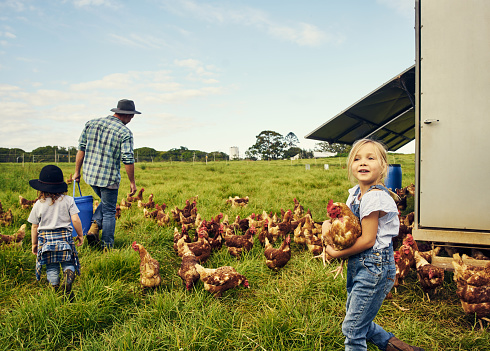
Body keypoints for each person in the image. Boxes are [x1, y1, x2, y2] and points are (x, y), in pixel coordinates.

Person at [323, 139, 424, 351]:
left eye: (371, 158)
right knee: (359, 318)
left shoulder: (374, 197)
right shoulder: (356, 194)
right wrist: (328, 226)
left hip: (374, 268)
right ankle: (399, 348)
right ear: (351, 165)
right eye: (357, 159)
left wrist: (334, 252)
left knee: (352, 329)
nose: (363, 163)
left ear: (383, 166)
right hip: (361, 266)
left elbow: (368, 240)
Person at [73, 99, 139, 250]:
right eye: (132, 116)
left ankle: (94, 227)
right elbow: (128, 158)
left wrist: (77, 171)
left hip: (89, 175)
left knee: (106, 203)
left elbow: (81, 148)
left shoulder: (91, 124)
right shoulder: (125, 132)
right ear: (127, 115)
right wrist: (132, 182)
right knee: (109, 211)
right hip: (108, 179)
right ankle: (107, 246)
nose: (132, 119)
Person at [28, 165, 83, 295]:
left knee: (51, 266)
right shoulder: (68, 200)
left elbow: (35, 226)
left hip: (46, 240)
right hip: (64, 238)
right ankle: (68, 273)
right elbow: (75, 219)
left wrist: (34, 243)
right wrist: (80, 234)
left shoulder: (38, 204)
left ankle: (55, 287)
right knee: (67, 261)